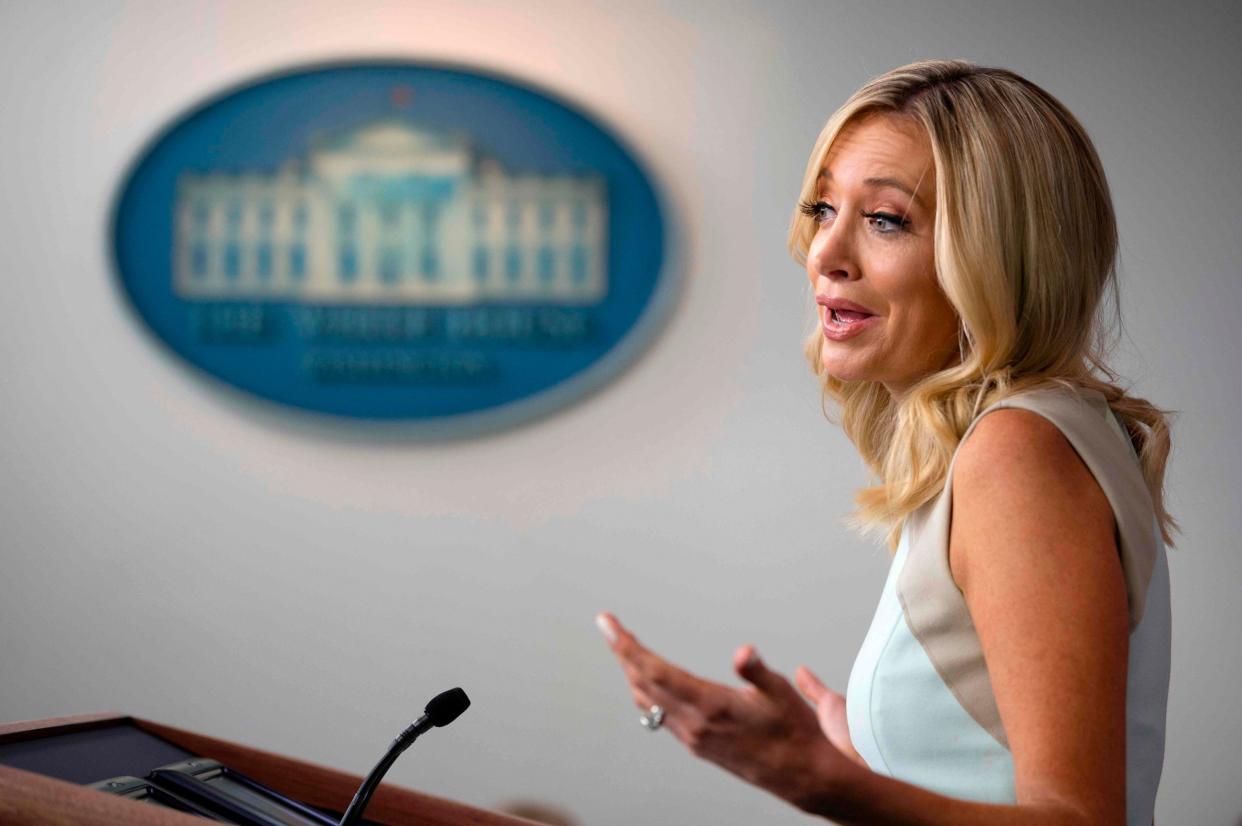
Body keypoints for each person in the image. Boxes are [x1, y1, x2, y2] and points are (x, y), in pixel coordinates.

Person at [597, 59, 1177, 826]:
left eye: (886, 220)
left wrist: (818, 780)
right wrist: (863, 760)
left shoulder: (1019, 453)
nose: (824, 254)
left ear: (998, 255)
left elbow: (1080, 820)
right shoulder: (1011, 442)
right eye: (822, 207)